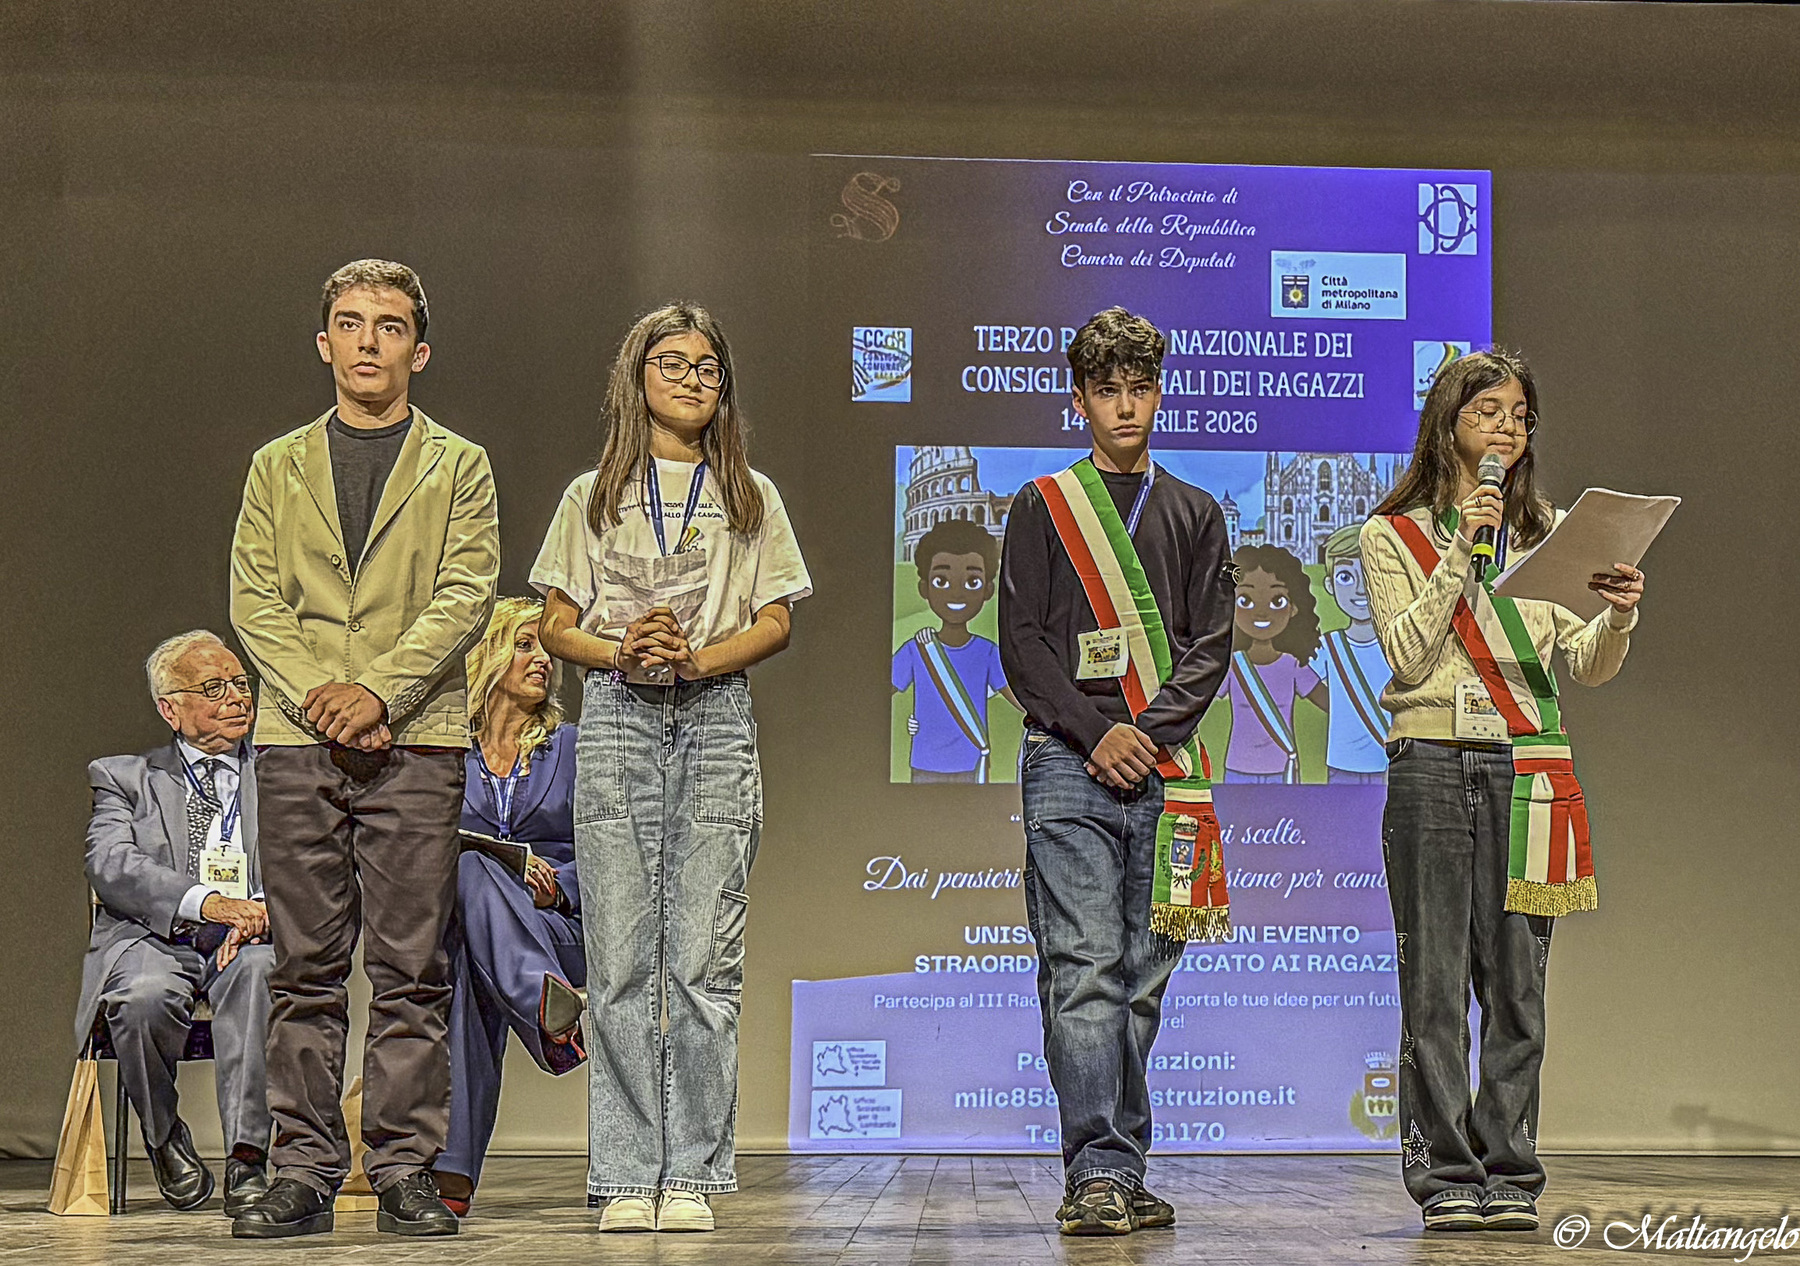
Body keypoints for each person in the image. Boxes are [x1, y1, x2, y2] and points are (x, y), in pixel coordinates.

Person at [229, 259, 499, 1238]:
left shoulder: (459, 464)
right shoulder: (276, 464)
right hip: (298, 741)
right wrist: (324, 697)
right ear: (324, 344)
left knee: (411, 968)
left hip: (414, 740)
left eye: (389, 326)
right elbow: (254, 599)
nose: (368, 341)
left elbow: (466, 592)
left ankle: (401, 1170)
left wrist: (378, 692)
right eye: (350, 323)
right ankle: (302, 1169)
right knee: (304, 968)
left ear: (418, 351)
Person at [535, 302, 811, 1233]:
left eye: (708, 367)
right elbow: (554, 624)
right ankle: (625, 1173)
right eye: (673, 363)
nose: (693, 380)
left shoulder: (751, 495)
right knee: (619, 958)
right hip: (617, 714)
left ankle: (688, 1171)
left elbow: (776, 619)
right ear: (637, 377)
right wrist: (621, 649)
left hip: (715, 715)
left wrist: (698, 660)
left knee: (701, 958)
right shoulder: (592, 494)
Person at [1361, 349, 1644, 1233]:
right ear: (1449, 423)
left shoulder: (1549, 532)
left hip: (1529, 768)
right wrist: (1460, 548)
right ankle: (1446, 1172)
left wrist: (1620, 613)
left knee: (1518, 987)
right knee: (1435, 986)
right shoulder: (1392, 533)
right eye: (1489, 412)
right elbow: (1408, 655)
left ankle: (1511, 1170)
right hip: (1432, 762)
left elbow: (1585, 666)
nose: (1507, 429)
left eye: (1520, 415)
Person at [997, 307, 1234, 1236]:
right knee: (1084, 967)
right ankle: (1095, 1168)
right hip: (1067, 760)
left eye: (1139, 389)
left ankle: (1122, 1170)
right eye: (1107, 391)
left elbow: (1210, 647)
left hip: (1165, 766)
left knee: (1141, 977)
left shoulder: (1195, 511)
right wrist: (1099, 734)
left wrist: (1149, 731)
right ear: (1079, 400)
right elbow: (1023, 645)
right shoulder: (1041, 505)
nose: (1125, 406)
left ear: (1159, 394)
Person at [76, 630, 274, 1215]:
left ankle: (247, 1156)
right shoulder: (124, 776)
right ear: (171, 709)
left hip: (250, 937)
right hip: (157, 936)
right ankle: (163, 1136)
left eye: (240, 683)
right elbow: (111, 863)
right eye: (214, 688)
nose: (237, 697)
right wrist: (206, 903)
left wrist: (265, 911)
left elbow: (314, 858)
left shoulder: (279, 771)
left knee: (259, 975)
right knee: (141, 996)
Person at [433, 597, 584, 1216]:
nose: (541, 658)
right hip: (483, 926)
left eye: (545, 648)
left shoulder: (572, 747)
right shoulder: (447, 753)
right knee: (472, 870)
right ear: (488, 656)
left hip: (560, 929)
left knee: (471, 956)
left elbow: (616, 851)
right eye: (524, 645)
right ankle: (543, 1007)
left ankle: (451, 1172)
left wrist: (560, 885)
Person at [892, 517, 1018, 782]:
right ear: (924, 588)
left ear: (988, 590)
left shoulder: (987, 652)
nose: (957, 594)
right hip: (925, 764)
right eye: (941, 581)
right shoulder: (917, 649)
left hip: (972, 764)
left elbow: (1017, 698)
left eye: (972, 582)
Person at [1213, 543, 1329, 783]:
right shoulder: (1233, 665)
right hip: (1238, 770)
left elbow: (1330, 703)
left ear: (1294, 608)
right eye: (1245, 600)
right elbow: (1201, 699)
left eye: (1277, 601)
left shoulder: (1293, 665)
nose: (1261, 613)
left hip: (1282, 770)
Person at [1314, 524, 1393, 783]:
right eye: (1346, 577)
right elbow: (1302, 684)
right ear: (1330, 585)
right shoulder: (1327, 645)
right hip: (1342, 762)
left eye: (1370, 575)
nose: (1360, 589)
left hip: (1390, 762)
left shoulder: (1396, 644)